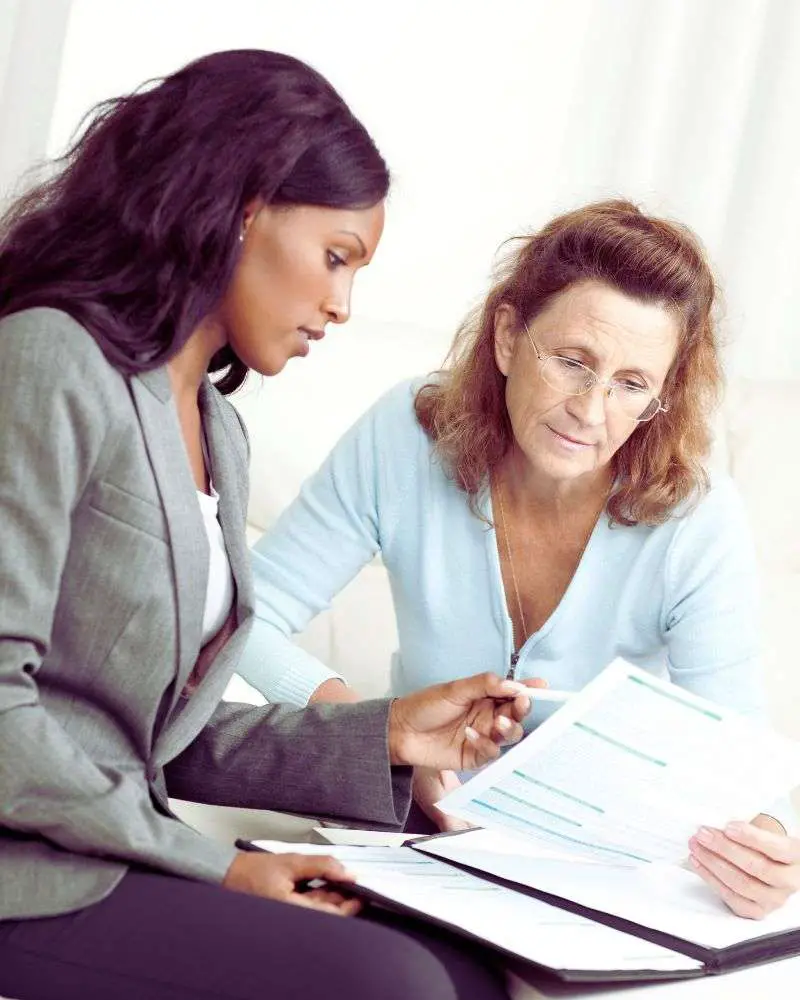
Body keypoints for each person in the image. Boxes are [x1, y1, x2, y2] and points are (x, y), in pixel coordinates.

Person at [0, 49, 542, 1000]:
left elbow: (159, 736)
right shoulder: (49, 360)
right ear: (242, 207)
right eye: (336, 258)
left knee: (470, 968)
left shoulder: (218, 429)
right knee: (392, 987)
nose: (342, 304)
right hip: (28, 875)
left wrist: (388, 738)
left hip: (112, 846)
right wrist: (214, 866)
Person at [239, 198, 800, 919]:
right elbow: (241, 618)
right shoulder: (407, 437)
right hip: (413, 836)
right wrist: (381, 733)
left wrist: (771, 841)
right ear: (508, 337)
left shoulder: (697, 517)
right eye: (572, 361)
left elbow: (737, 758)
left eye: (632, 384)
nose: (592, 410)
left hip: (596, 870)